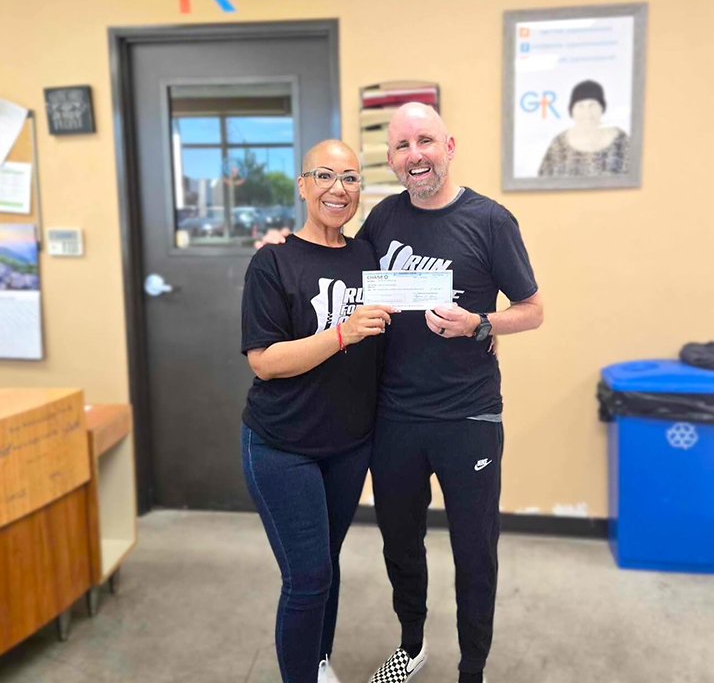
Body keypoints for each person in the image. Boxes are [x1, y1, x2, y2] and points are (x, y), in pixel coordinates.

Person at [357, 103, 544, 683]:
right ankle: (411, 644)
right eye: (403, 147)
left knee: (474, 552)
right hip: (394, 417)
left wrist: (480, 324)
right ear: (390, 159)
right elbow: (343, 278)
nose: (415, 155)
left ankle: (472, 669)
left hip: (469, 417)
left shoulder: (490, 220)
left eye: (425, 141)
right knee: (400, 545)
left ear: (449, 146)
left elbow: (533, 311)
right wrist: (283, 252)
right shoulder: (383, 219)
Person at [240, 140, 394, 683]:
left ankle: (318, 661)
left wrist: (478, 330)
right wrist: (342, 334)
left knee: (324, 568)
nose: (338, 188)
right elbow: (265, 362)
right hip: (282, 445)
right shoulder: (273, 262)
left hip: (349, 445)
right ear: (303, 185)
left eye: (350, 178)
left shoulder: (369, 258)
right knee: (306, 577)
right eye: (325, 176)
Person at [538, 79, 630, 177]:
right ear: (572, 110)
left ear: (602, 107)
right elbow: (543, 182)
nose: (587, 112)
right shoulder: (559, 144)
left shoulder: (620, 139)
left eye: (592, 105)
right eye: (580, 106)